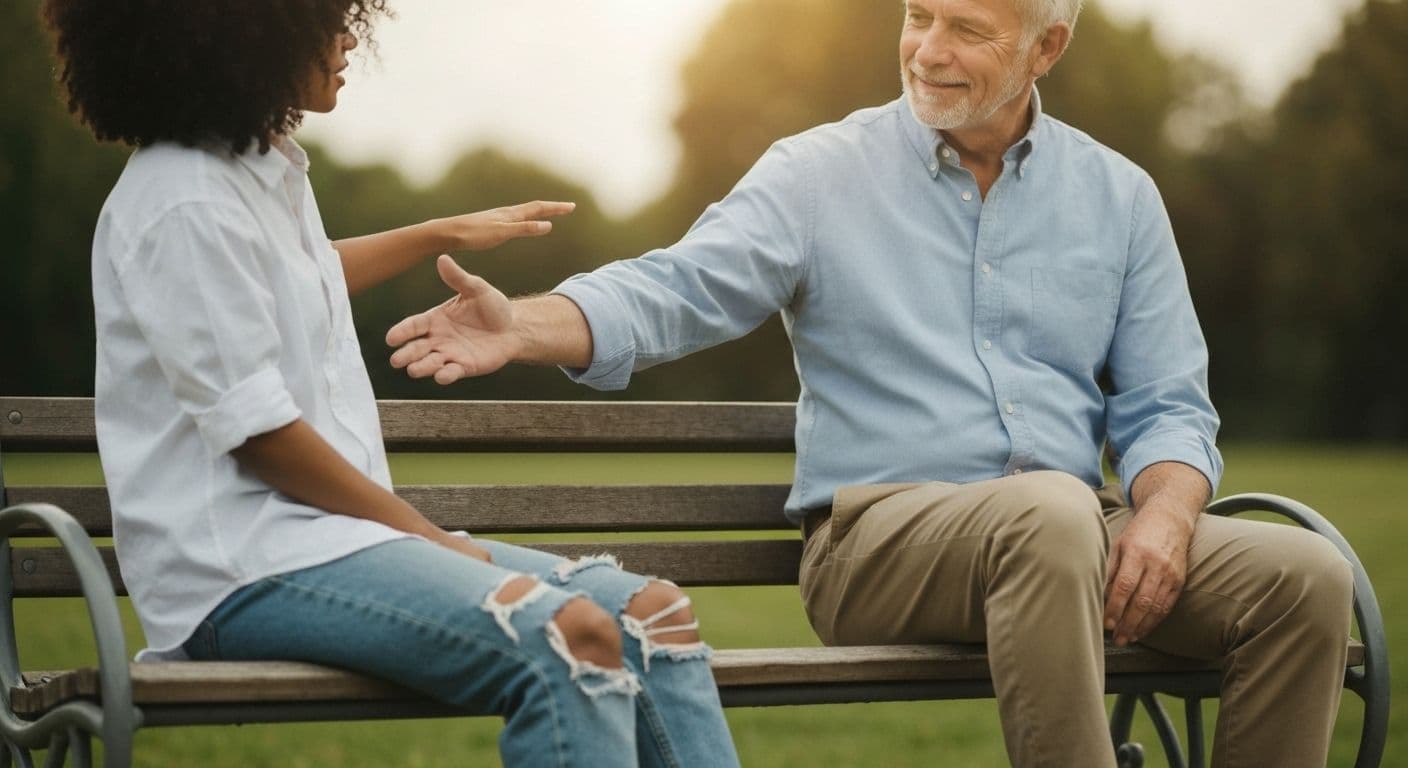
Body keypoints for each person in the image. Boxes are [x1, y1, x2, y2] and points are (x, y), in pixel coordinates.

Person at [385, 0, 1357, 765]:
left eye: (968, 29)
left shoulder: (1117, 197)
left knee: (1307, 579)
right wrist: (524, 324)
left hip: (1072, 535)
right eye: (916, 16)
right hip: (878, 542)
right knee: (1052, 514)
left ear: (1045, 47)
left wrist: (1167, 516)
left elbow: (1168, 405)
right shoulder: (820, 174)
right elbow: (672, 291)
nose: (928, 49)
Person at [42, 1, 741, 765]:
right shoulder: (182, 198)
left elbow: (296, 276)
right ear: (237, 35)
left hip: (330, 547)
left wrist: (436, 233)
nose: (348, 41)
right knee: (568, 640)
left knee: (652, 616)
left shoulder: (255, 171)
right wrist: (431, 539)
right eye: (324, 22)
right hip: (241, 573)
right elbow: (259, 438)